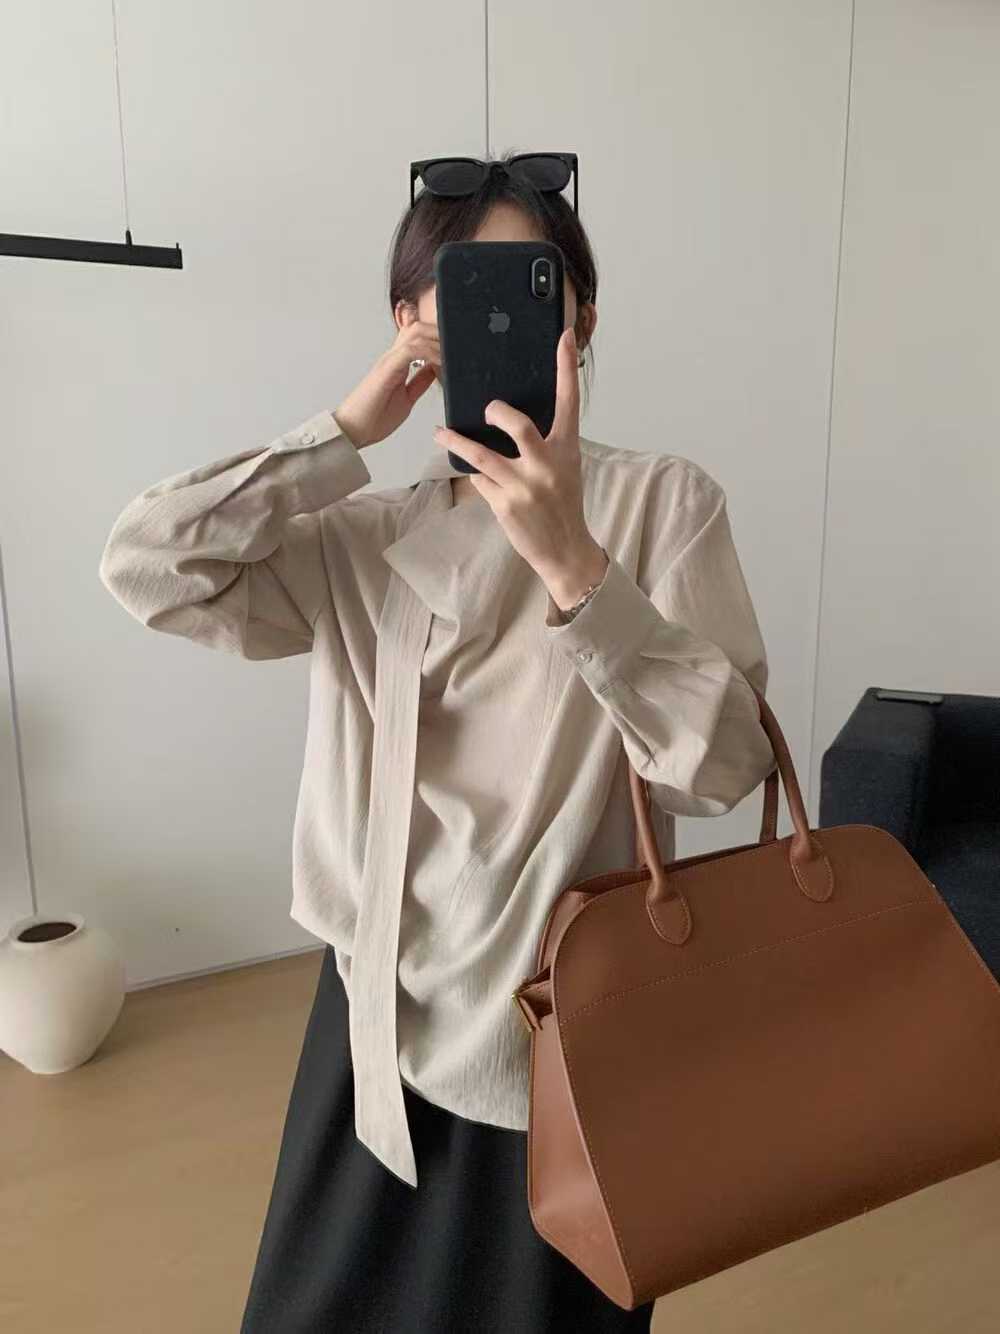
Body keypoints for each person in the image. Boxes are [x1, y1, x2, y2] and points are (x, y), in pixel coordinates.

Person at [99, 152, 776, 1332]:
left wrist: (575, 568)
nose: (493, 314)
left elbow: (721, 766)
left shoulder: (661, 504)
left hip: (567, 1030)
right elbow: (148, 565)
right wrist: (343, 429)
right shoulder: (358, 535)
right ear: (411, 321)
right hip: (370, 1014)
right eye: (457, 289)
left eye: (531, 282)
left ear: (580, 318)